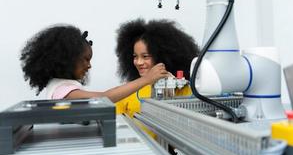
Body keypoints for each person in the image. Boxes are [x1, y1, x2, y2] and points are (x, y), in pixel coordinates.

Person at [20, 24, 168, 102]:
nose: (89, 66)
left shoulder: (59, 85)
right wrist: (147, 79)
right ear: (67, 60)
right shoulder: (62, 90)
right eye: (85, 59)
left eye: (146, 56)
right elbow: (104, 98)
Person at [115, 18, 200, 115]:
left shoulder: (186, 90)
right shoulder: (127, 92)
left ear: (163, 57)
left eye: (145, 56)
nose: (138, 62)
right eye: (135, 56)